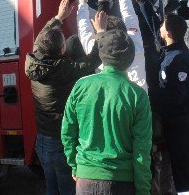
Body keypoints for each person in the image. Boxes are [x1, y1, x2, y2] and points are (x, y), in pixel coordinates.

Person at [61, 20, 152, 195]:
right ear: (130, 58)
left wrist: (75, 165)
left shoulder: (81, 86)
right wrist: (143, 190)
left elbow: (67, 132)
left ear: (101, 55)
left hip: (85, 179)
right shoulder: (137, 95)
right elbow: (142, 151)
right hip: (123, 183)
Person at [24, 0, 101, 195]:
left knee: (52, 188)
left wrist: (59, 17)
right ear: (61, 50)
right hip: (60, 143)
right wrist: (100, 33)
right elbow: (92, 61)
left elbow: (42, 38)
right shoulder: (63, 69)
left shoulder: (34, 62)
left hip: (42, 142)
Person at [151, 13, 189, 195]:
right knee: (171, 175)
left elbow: (176, 96)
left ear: (168, 33)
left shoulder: (179, 58)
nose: (159, 29)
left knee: (185, 179)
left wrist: (151, 96)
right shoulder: (168, 53)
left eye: (162, 26)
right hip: (172, 125)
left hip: (181, 127)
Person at [76, 0, 147, 91]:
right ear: (125, 32)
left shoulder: (96, 52)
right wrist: (83, 1)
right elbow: (84, 30)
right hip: (137, 105)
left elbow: (129, 16)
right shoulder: (136, 45)